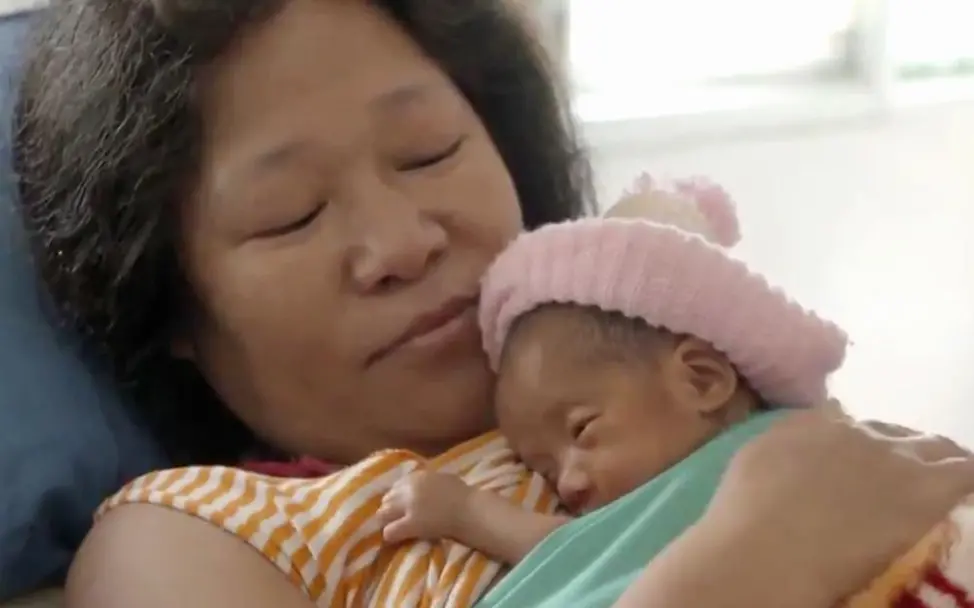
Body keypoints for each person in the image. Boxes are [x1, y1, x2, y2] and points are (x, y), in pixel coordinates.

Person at [11, 0, 974, 606]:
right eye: (291, 214)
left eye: (429, 152)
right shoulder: (189, 534)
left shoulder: (671, 360)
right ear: (173, 306)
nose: (403, 242)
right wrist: (758, 557)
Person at [377, 175, 974, 607]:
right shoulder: (649, 505)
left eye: (582, 430)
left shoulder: (783, 451)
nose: (569, 482)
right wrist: (462, 511)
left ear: (701, 379)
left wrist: (466, 511)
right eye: (546, 470)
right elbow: (579, 552)